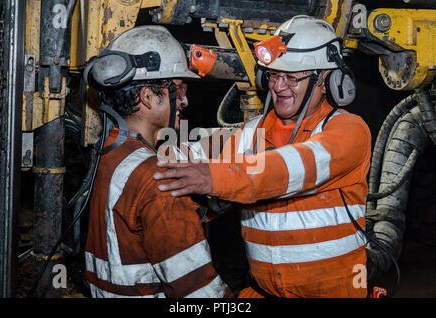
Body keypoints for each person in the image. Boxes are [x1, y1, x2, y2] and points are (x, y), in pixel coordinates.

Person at [154, 16, 372, 298]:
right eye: (272, 74)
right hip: (263, 292)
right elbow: (191, 153)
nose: (278, 86)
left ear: (328, 82)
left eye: (292, 77)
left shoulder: (348, 131)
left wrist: (212, 177)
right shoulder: (252, 133)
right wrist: (144, 155)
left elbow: (289, 168)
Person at [83, 25, 232, 298]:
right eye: (178, 88)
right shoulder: (158, 180)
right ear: (148, 97)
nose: (185, 100)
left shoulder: (107, 155)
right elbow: (201, 295)